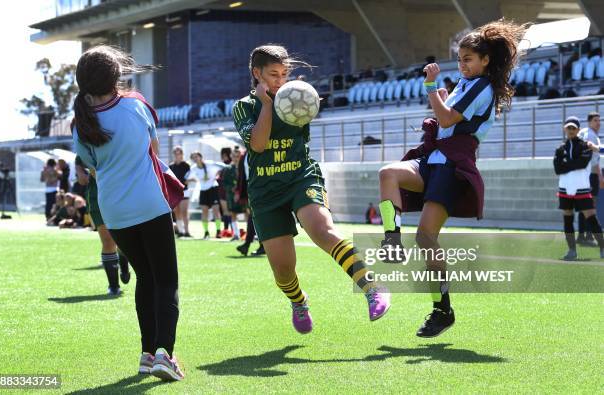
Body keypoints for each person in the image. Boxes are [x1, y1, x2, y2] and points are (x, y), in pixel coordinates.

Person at [377, 20, 526, 338]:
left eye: (468, 59)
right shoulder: (465, 83)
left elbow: (446, 118)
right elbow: (445, 119)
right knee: (388, 173)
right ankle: (391, 241)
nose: (462, 65)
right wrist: (441, 97)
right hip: (433, 161)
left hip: (452, 167)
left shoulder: (483, 87)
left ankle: (442, 309)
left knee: (426, 239)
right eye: (459, 59)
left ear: (485, 61)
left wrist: (432, 89)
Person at [232, 44, 390, 334]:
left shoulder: (298, 98)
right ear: (257, 74)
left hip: (300, 178)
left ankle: (372, 287)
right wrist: (267, 106)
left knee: (323, 231)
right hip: (265, 191)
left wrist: (298, 97)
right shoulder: (243, 106)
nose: (280, 80)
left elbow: (305, 113)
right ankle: (299, 302)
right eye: (273, 74)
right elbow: (257, 144)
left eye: (284, 74)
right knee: (283, 269)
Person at [71, 45, 183, 381]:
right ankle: (165, 354)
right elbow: (154, 149)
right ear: (116, 76)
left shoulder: (81, 124)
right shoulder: (135, 105)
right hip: (150, 204)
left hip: (114, 212)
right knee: (166, 281)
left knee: (145, 279)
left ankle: (148, 355)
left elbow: (91, 167)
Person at [76, 155, 131, 295]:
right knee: (108, 241)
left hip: (119, 193)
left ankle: (123, 263)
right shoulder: (83, 150)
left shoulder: (117, 141)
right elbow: (82, 179)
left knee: (123, 239)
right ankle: (114, 286)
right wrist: (83, 173)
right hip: (97, 197)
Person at [554, 116, 604, 260]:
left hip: (582, 188)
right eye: (568, 128)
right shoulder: (560, 148)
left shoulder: (585, 146)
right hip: (564, 189)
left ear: (578, 129)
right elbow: (557, 169)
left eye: (573, 128)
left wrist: (566, 164)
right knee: (567, 219)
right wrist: (571, 164)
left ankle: (602, 247)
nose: (570, 130)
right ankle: (571, 251)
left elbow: (581, 164)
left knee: (591, 218)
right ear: (564, 129)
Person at [577, 112, 602, 246]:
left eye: (599, 120)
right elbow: (589, 150)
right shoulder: (590, 134)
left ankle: (584, 235)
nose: (598, 123)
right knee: (589, 205)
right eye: (595, 120)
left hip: (587, 174)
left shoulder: (587, 132)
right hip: (589, 175)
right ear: (589, 122)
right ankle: (587, 235)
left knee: (585, 205)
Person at [187, 152, 223, 239]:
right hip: (203, 190)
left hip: (213, 188)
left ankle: (218, 232)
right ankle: (206, 233)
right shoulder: (194, 168)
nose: (195, 159)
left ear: (201, 157)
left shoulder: (209, 164)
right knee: (204, 212)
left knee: (216, 211)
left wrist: (217, 175)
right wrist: (195, 179)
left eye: (197, 156)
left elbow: (222, 167)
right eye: (193, 158)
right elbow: (187, 178)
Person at [236, 150, 265, 256]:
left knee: (255, 217)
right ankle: (253, 245)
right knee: (253, 217)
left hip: (261, 185)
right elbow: (243, 173)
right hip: (251, 186)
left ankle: (252, 244)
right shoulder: (245, 154)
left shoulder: (259, 150)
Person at [220, 147, 244, 241]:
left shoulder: (244, 167)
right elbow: (224, 183)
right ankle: (236, 234)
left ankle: (251, 234)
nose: (236, 158)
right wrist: (232, 189)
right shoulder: (227, 168)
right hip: (231, 195)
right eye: (234, 156)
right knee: (233, 214)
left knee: (248, 213)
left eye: (238, 156)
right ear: (231, 156)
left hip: (244, 195)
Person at [169, 146, 192, 238]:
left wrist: (189, 180)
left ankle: (187, 231)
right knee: (177, 212)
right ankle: (181, 231)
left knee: (184, 212)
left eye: (179, 153)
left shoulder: (186, 165)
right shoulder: (171, 166)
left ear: (182, 154)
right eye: (176, 153)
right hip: (174, 192)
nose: (177, 155)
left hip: (184, 191)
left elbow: (190, 176)